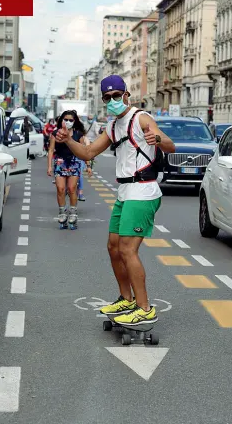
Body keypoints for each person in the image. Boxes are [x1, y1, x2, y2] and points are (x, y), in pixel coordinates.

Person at [55, 74, 176, 326]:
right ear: (103, 100)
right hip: (125, 192)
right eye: (107, 98)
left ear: (126, 95)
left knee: (128, 250)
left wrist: (159, 140)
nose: (113, 101)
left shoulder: (141, 117)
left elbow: (170, 146)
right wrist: (68, 141)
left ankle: (144, 308)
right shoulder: (112, 126)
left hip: (142, 191)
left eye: (116, 96)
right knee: (113, 247)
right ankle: (126, 298)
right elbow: (88, 152)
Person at [47, 110, 86, 226]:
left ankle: (73, 213)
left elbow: (84, 150)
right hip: (60, 162)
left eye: (71, 120)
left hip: (74, 163)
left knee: (72, 188)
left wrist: (87, 165)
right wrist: (49, 166)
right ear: (61, 120)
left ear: (74, 122)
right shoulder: (55, 133)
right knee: (60, 188)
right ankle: (62, 212)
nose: (68, 122)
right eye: (66, 120)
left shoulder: (78, 134)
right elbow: (50, 150)